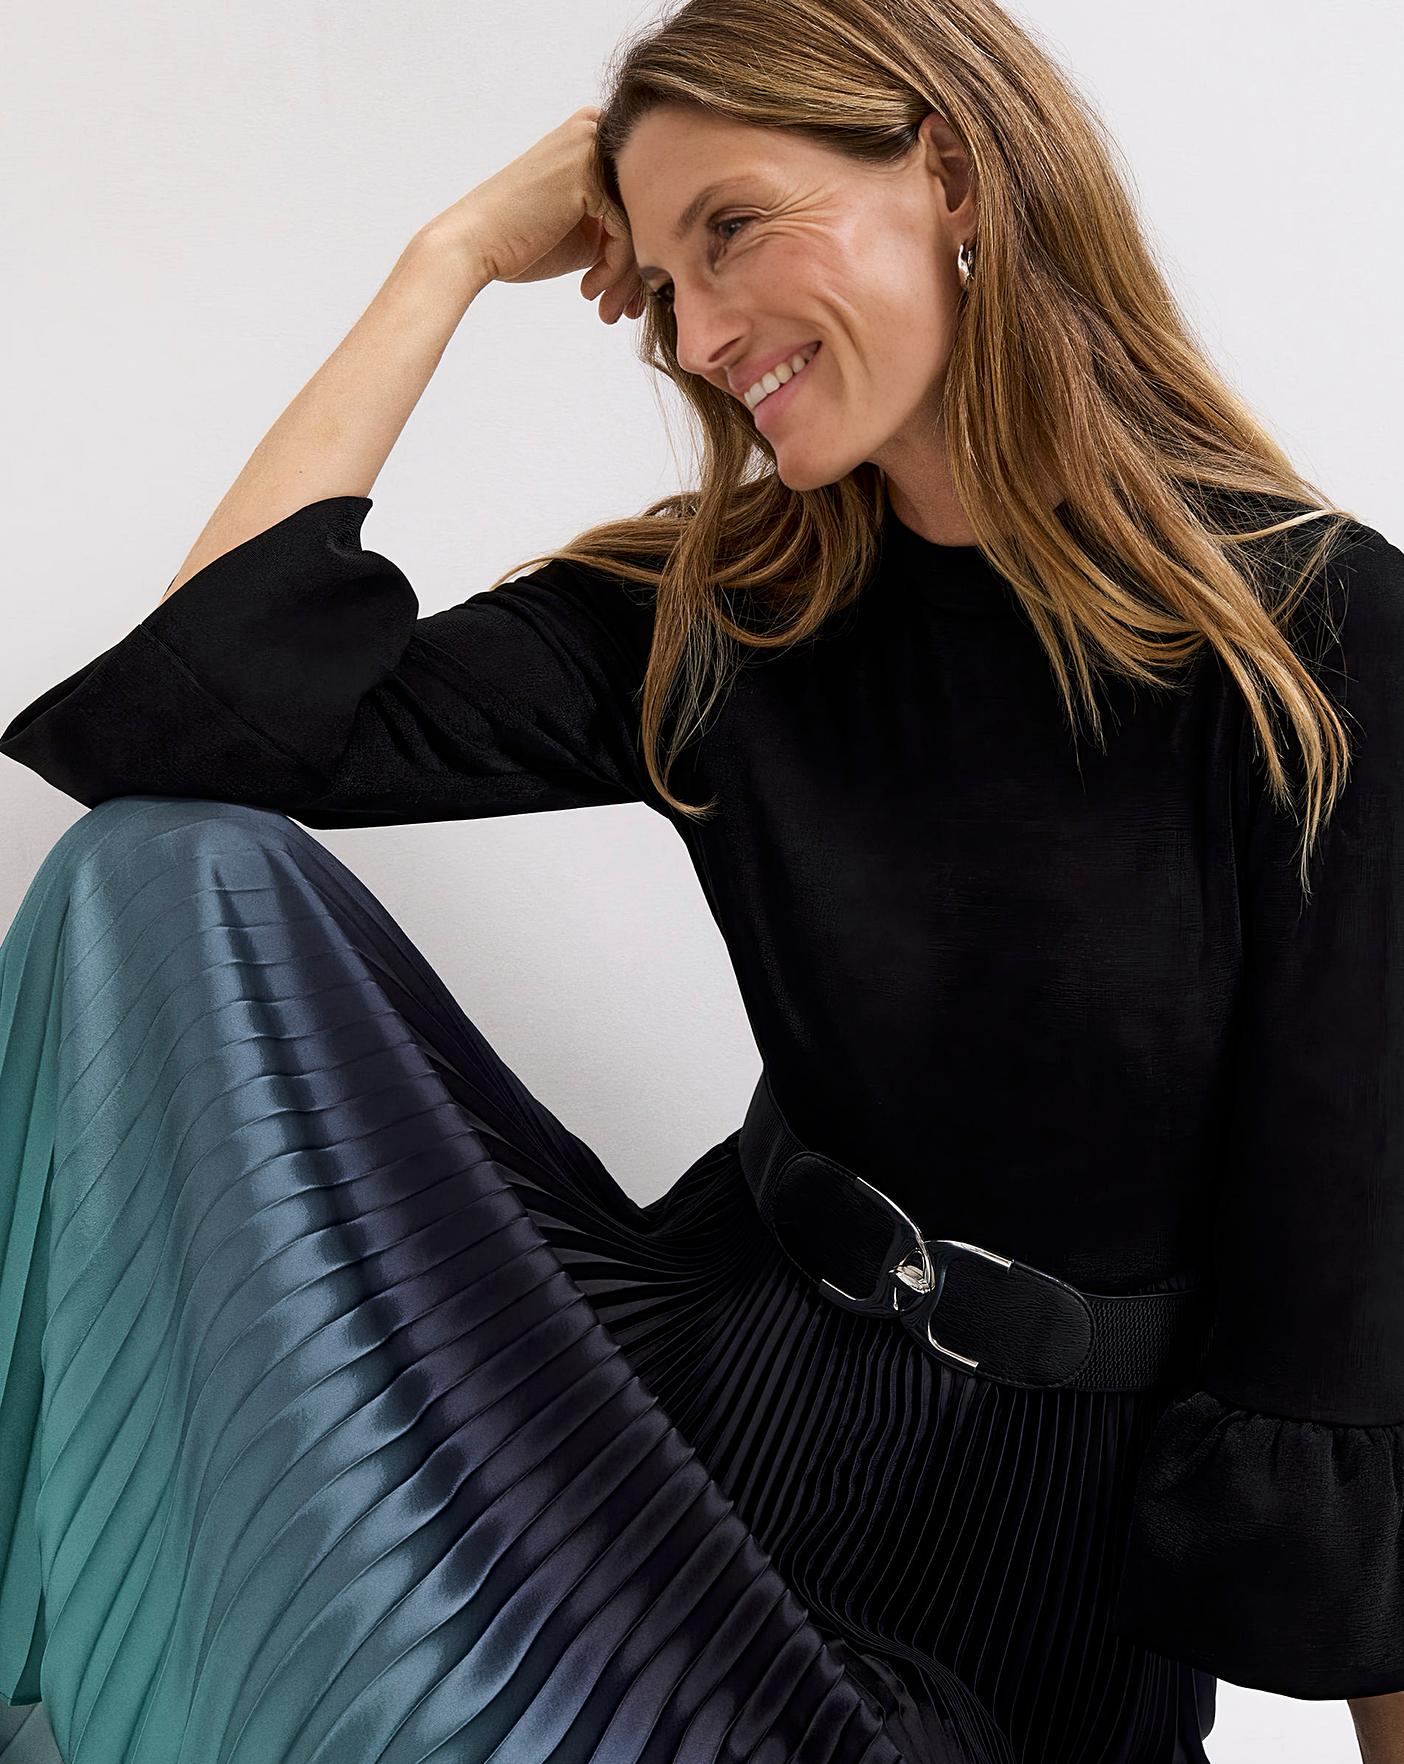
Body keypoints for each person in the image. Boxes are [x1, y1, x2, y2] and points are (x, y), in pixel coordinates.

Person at [0, 2, 1401, 1761]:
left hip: (1022, 1590)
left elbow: (1364, 1284)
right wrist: (449, 257)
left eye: (733, 230)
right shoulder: (722, 611)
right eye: (660, 284)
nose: (701, 332)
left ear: (955, 171)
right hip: (679, 1426)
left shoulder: (1315, 640)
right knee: (162, 871)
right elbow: (186, 727)